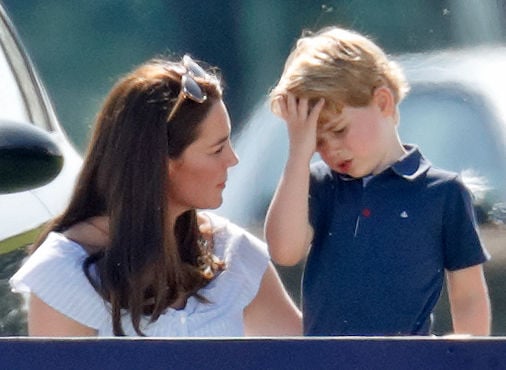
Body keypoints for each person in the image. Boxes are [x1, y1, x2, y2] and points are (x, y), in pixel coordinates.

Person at [10, 54, 302, 337]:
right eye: (217, 149)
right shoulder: (63, 273)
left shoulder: (232, 252)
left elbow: (311, 353)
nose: (233, 159)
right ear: (162, 164)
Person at [265, 26, 491, 336]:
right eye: (317, 141)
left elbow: (469, 295)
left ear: (383, 102)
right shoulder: (317, 184)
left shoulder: (443, 193)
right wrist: (298, 156)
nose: (330, 149)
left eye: (340, 130)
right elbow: (284, 251)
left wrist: (466, 356)